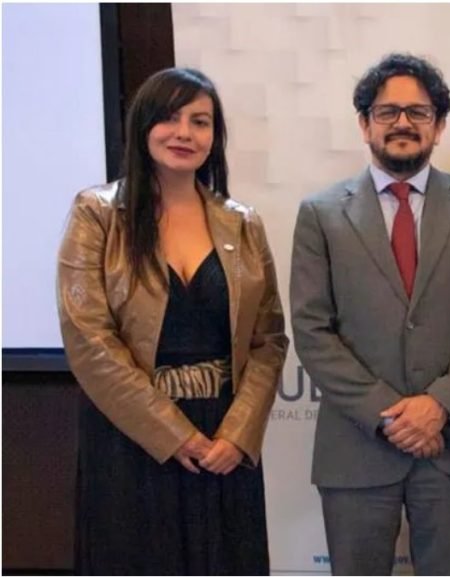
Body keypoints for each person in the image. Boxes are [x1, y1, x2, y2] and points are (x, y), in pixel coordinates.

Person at [289, 53, 450, 576]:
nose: (402, 123)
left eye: (418, 112)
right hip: (357, 446)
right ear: (364, 123)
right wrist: (391, 416)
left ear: (439, 126)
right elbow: (312, 328)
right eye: (387, 111)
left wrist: (439, 405)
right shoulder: (321, 213)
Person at [57, 67, 288, 575]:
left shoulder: (243, 223)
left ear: (214, 136)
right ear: (143, 126)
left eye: (200, 122)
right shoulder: (97, 213)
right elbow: (88, 336)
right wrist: (172, 434)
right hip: (131, 435)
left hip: (224, 439)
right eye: (169, 118)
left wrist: (238, 436)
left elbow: (269, 339)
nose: (184, 133)